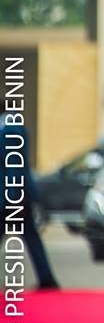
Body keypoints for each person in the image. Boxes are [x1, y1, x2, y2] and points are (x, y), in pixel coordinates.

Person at [1, 114, 58, 290]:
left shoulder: (10, 128)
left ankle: (47, 278)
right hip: (13, 194)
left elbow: (14, 165)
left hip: (12, 195)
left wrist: (13, 195)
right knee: (32, 238)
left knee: (32, 238)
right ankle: (46, 278)